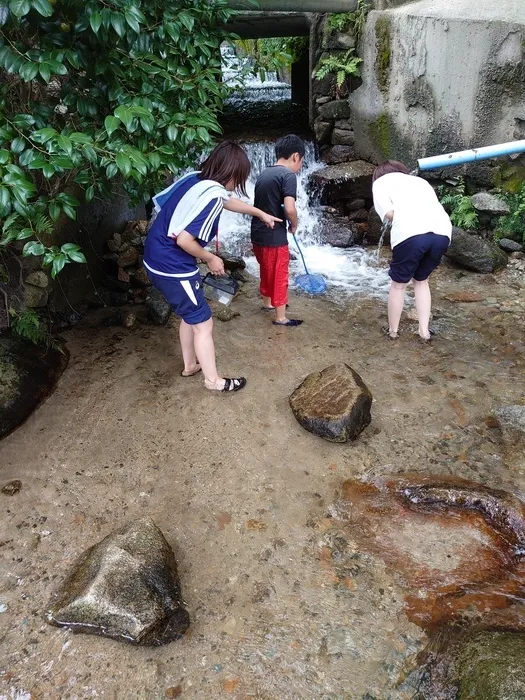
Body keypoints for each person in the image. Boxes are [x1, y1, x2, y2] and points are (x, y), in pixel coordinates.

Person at [143, 141, 281, 393]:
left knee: (190, 315)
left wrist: (259, 213)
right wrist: (211, 258)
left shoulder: (197, 179)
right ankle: (213, 381)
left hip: (154, 256)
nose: (235, 184)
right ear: (232, 174)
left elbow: (225, 200)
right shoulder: (212, 195)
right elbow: (185, 240)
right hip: (172, 265)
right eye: (239, 178)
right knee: (204, 323)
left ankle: (189, 365)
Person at [372, 160, 452, 342]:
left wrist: (403, 218)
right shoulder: (420, 181)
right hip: (442, 233)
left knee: (398, 285)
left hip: (411, 233)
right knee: (422, 281)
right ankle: (424, 332)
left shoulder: (380, 183)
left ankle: (393, 332)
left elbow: (388, 214)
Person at [251, 134, 305, 327]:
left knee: (266, 270)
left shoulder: (264, 173)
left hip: (257, 234)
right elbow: (290, 208)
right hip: (274, 236)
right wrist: (294, 223)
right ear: (296, 157)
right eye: (301, 163)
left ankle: (267, 303)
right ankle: (281, 317)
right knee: (280, 274)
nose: (299, 168)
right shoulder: (288, 175)